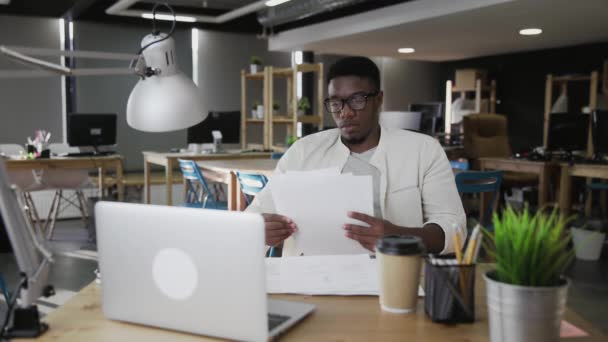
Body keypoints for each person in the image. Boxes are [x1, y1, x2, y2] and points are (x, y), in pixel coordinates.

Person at [246, 56, 465, 256]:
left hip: (392, 279)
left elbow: (454, 228)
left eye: (357, 99)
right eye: (336, 102)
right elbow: (253, 215)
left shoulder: (423, 150)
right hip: (311, 282)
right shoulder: (303, 152)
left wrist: (398, 236)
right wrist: (259, 230)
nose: (345, 112)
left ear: (379, 100)